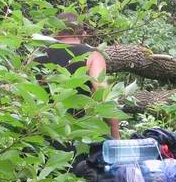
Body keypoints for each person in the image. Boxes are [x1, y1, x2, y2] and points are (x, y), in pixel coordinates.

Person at [34, 12, 121, 141]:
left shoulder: (37, 54)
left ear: (56, 31)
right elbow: (103, 96)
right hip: (74, 133)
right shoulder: (92, 55)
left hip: (37, 132)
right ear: (83, 34)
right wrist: (115, 134)